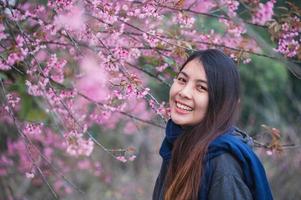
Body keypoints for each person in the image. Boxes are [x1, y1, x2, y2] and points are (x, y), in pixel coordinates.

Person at [152, 49, 273, 200]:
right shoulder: (176, 144)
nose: (184, 92)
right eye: (182, 80)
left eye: (201, 87)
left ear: (221, 103)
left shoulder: (223, 163)